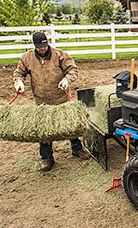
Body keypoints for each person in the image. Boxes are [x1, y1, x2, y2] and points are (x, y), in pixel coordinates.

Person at [13, 32, 89, 171]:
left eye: (44, 45)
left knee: (69, 124)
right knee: (44, 129)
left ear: (47, 43)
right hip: (41, 99)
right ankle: (47, 158)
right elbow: (19, 73)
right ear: (35, 46)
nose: (42, 49)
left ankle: (77, 149)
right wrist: (19, 82)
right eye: (39, 47)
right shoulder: (27, 58)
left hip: (61, 97)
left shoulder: (60, 55)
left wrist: (66, 80)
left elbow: (72, 69)